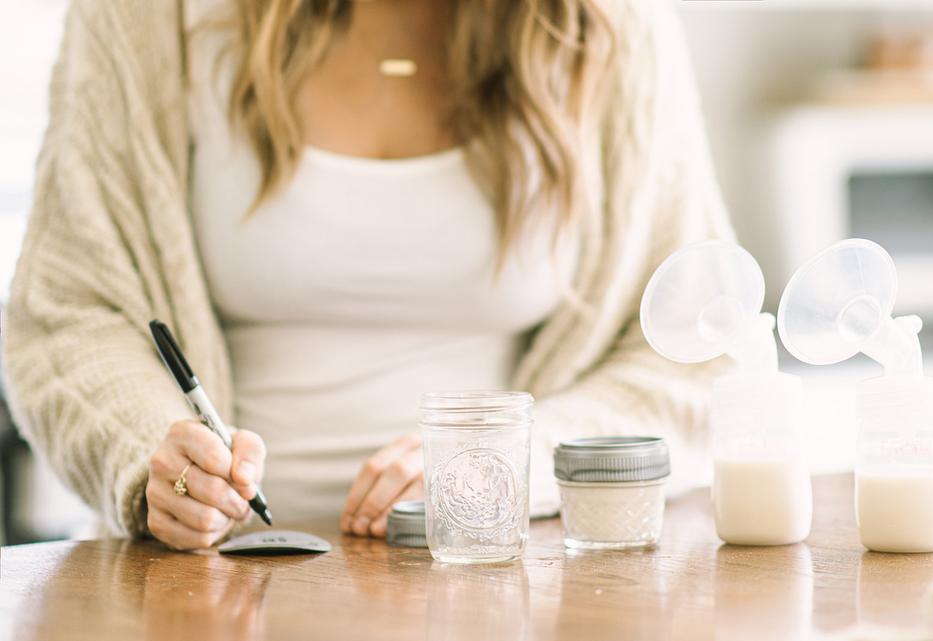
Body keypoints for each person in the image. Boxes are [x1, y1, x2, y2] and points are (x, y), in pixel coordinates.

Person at [1, 0, 732, 551]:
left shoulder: (609, 26)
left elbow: (702, 349)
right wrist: (147, 454)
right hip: (211, 585)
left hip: (503, 574)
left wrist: (509, 463)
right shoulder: (146, 20)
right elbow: (67, 309)